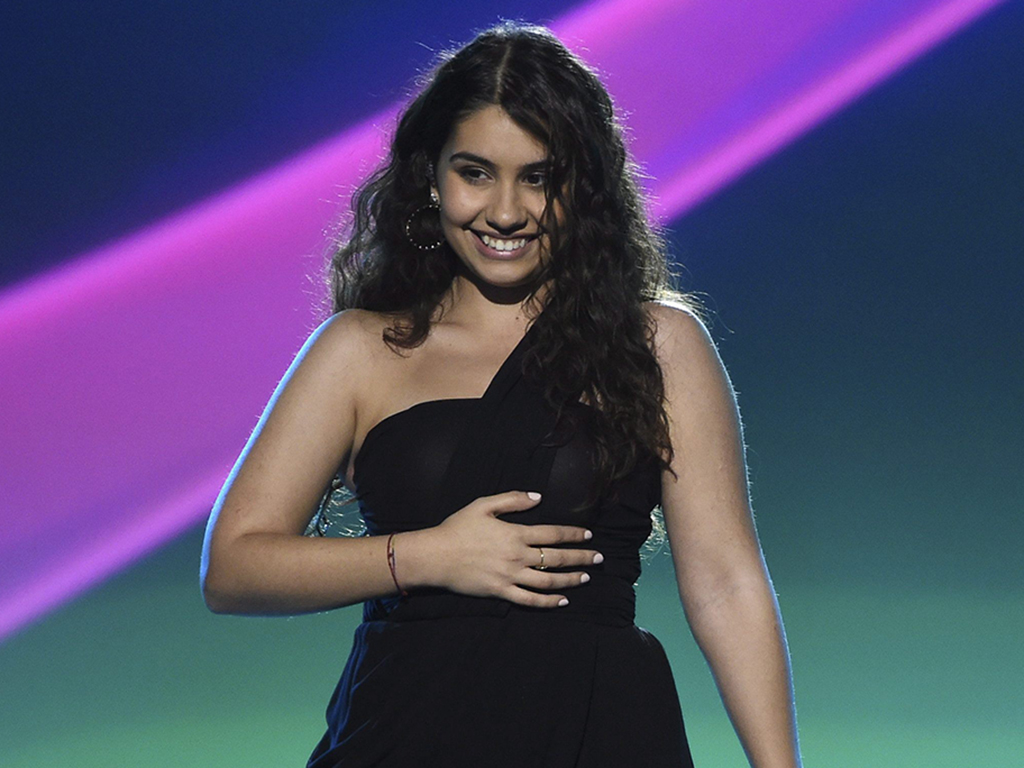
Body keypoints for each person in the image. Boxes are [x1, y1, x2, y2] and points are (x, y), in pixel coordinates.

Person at [201, 21, 802, 768]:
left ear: (581, 185)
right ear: (431, 176)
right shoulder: (360, 349)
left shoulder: (658, 344)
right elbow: (234, 568)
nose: (507, 211)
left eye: (539, 176)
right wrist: (431, 555)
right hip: (403, 732)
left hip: (603, 732)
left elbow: (724, 583)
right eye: (475, 172)